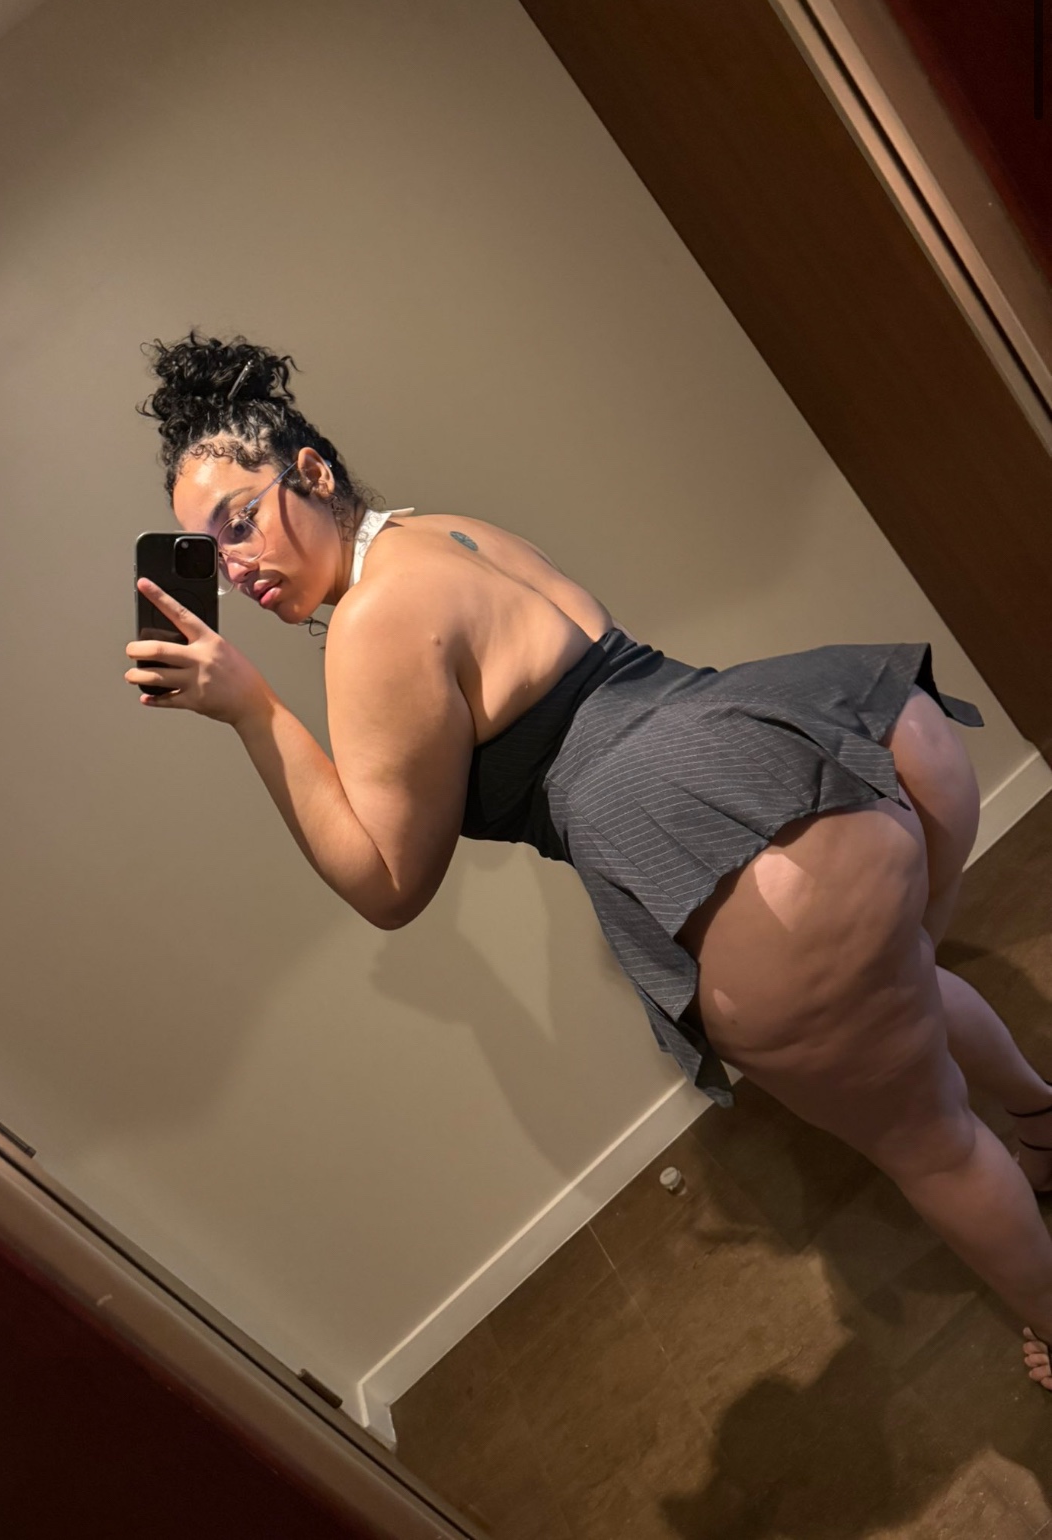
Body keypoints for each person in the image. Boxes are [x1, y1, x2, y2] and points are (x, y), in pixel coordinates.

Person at [125, 331, 1052, 1389]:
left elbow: (388, 886)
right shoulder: (441, 532)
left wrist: (252, 711)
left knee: (932, 1141)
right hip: (860, 735)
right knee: (904, 988)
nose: (234, 566)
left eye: (240, 521)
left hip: (753, 847)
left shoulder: (374, 621)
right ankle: (1042, 1120)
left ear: (313, 473)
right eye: (207, 549)